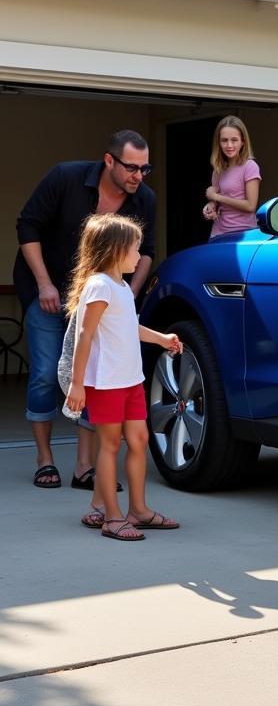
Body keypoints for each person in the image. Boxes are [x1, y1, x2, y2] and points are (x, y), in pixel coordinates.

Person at [14, 131, 157, 490]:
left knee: (99, 376)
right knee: (47, 373)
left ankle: (83, 467)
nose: (138, 176)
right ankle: (45, 459)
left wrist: (126, 293)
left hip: (103, 301)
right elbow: (27, 225)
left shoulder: (144, 200)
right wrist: (44, 284)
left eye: (144, 168)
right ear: (109, 161)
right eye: (131, 168)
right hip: (50, 293)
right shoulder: (66, 177)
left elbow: (148, 251)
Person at [64, 213, 181, 540]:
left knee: (140, 440)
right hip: (106, 383)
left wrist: (161, 339)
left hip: (130, 380)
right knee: (110, 445)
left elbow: (129, 327)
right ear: (115, 250)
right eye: (135, 248)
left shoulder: (121, 288)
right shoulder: (100, 285)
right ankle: (112, 517)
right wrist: (77, 383)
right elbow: (85, 335)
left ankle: (138, 510)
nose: (140, 255)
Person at [202, 116, 261, 238]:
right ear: (218, 142)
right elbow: (215, 202)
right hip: (218, 233)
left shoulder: (250, 166)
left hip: (244, 233)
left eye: (234, 140)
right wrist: (210, 207)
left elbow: (250, 206)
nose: (229, 145)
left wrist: (217, 196)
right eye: (224, 140)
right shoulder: (218, 169)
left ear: (243, 141)